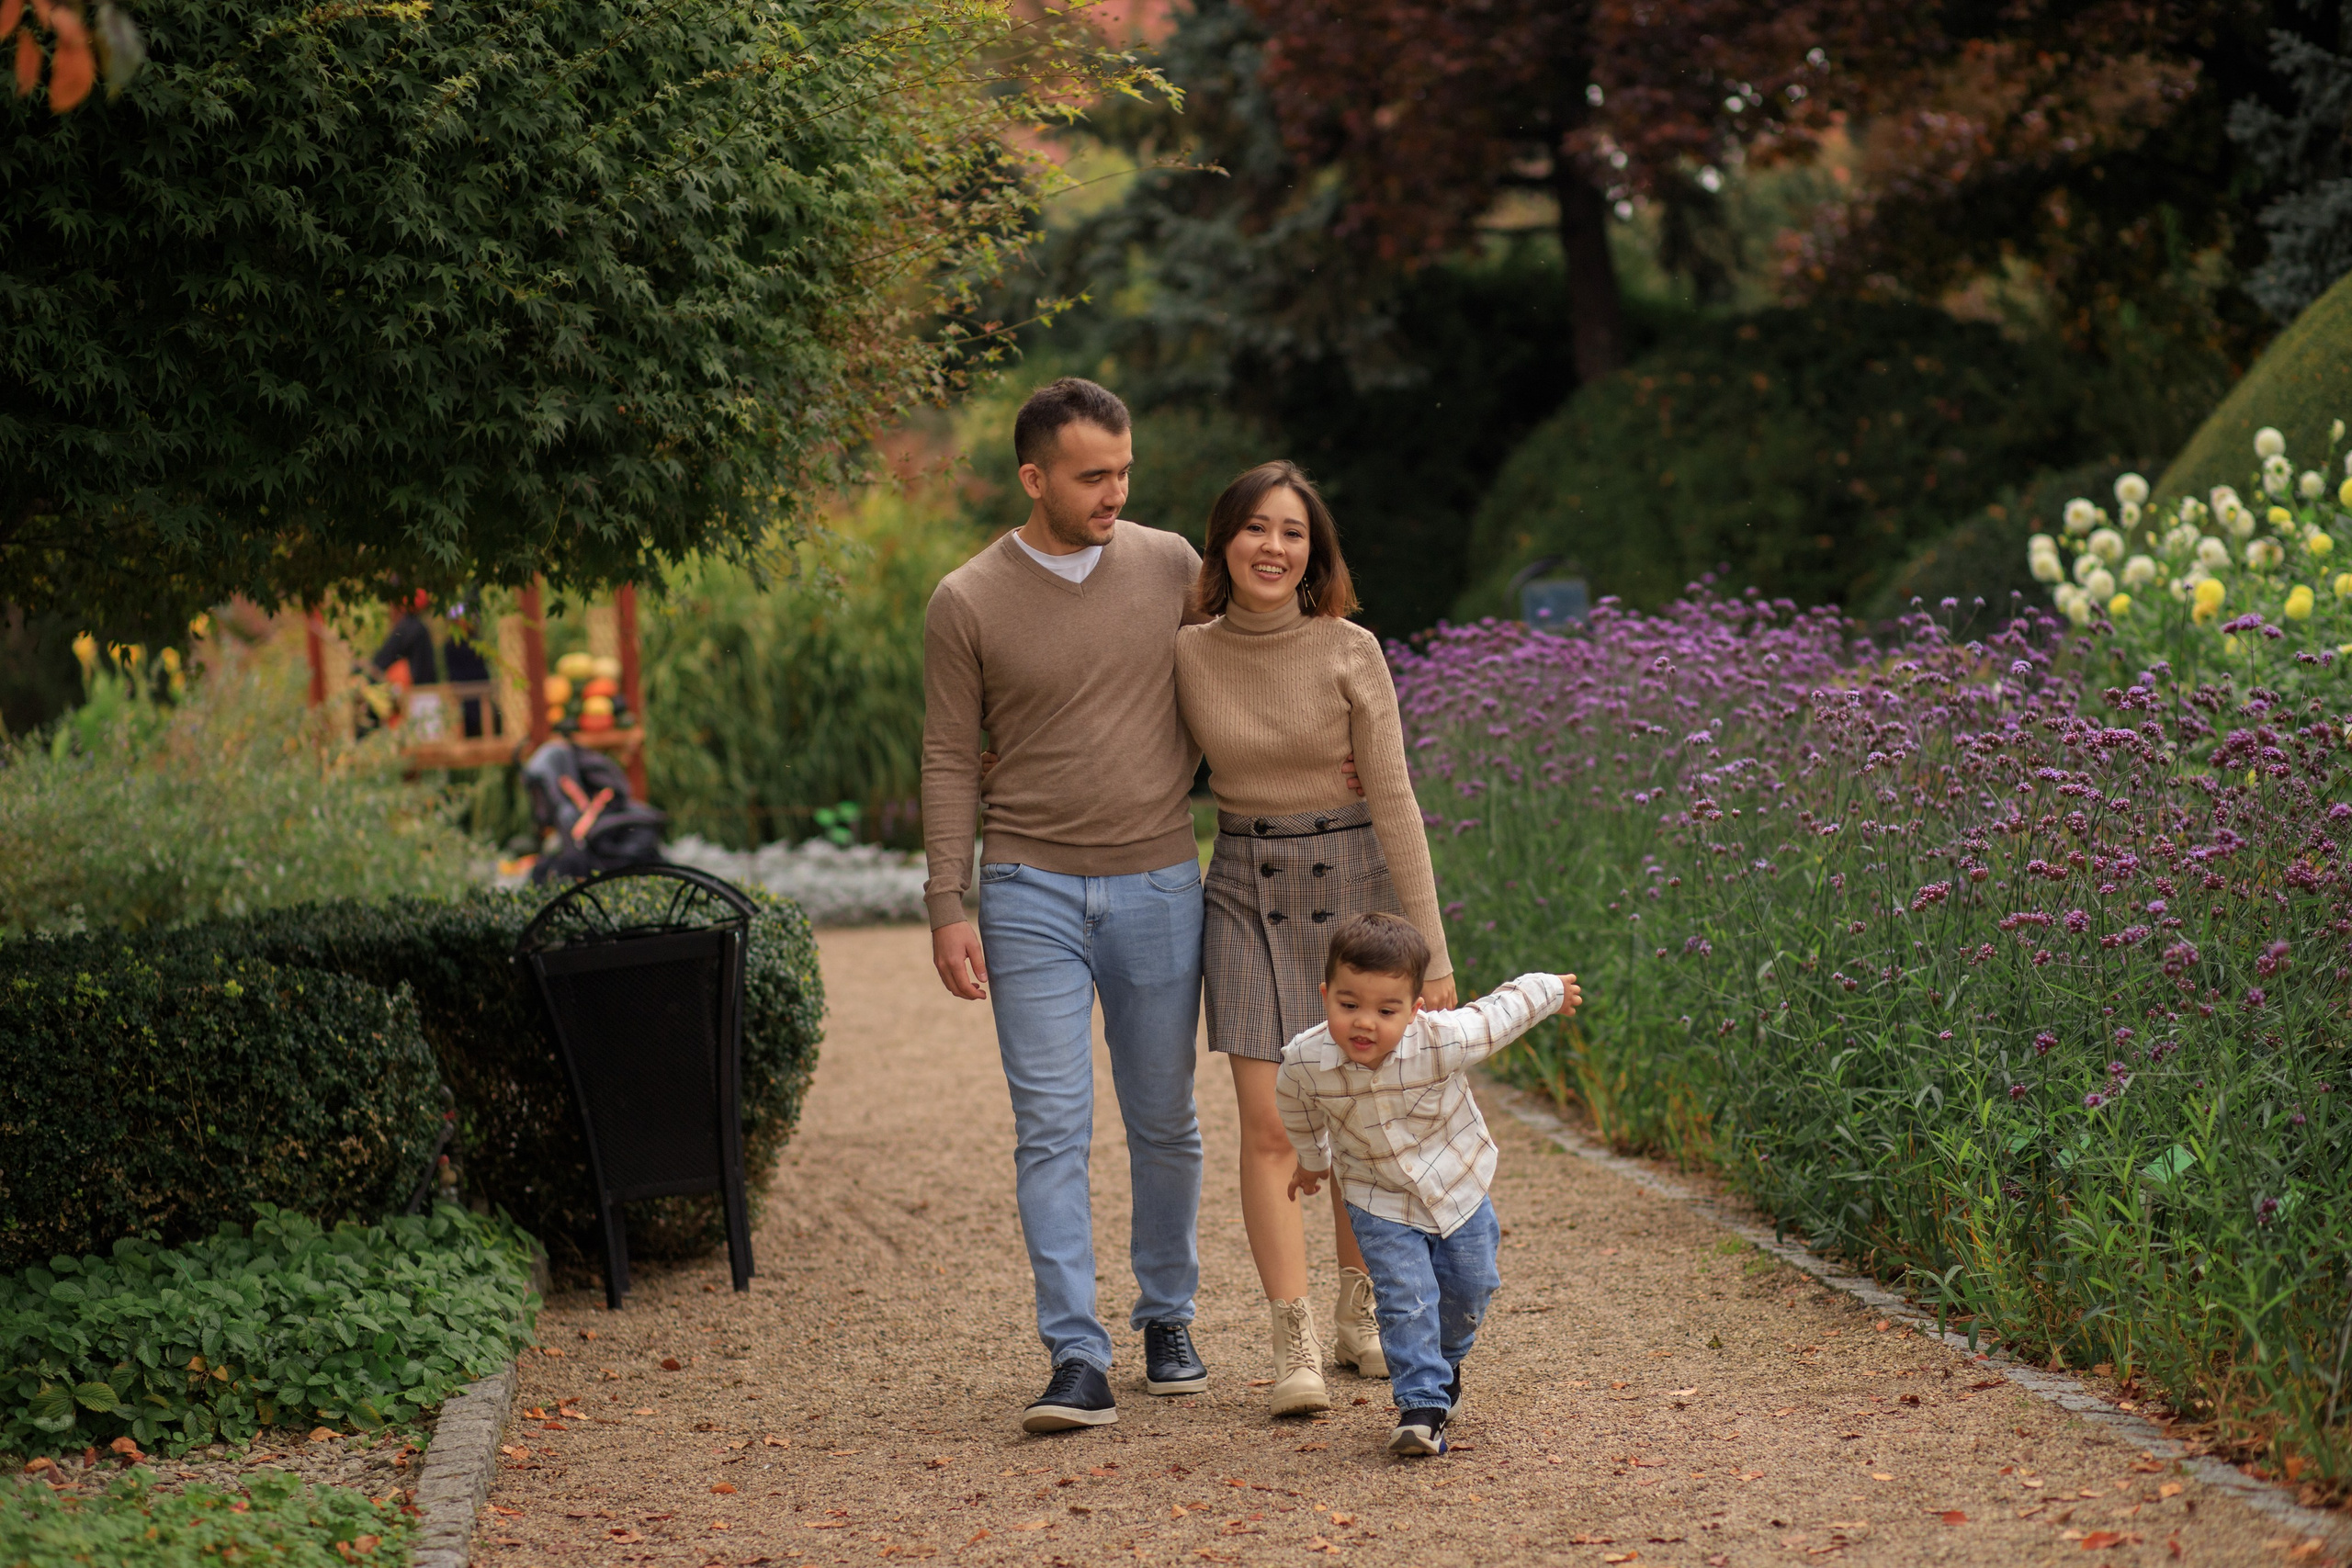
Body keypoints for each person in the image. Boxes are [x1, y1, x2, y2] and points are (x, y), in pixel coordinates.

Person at [921, 377, 1214, 1434]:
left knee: (1165, 1119)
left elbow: (1250, 665)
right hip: (1026, 887)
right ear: (1033, 477)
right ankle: (1077, 1355)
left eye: (1123, 472)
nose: (1114, 493)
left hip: (1159, 880)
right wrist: (946, 901)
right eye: (1092, 476)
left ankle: (1167, 1317)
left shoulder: (1173, 566)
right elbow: (948, 754)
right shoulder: (966, 599)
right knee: (1049, 1129)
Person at [1173, 461, 1457, 1416]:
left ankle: (1359, 1314)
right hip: (1243, 891)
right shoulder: (1188, 654)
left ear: (1314, 552)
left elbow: (1396, 799)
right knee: (1268, 1127)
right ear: (1224, 543)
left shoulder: (1350, 649)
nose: (1273, 546)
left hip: (1353, 889)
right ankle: (1290, 1338)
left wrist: (1433, 954)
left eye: (1292, 531)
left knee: (1356, 1118)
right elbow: (1139, 754)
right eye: (1255, 527)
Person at [1279, 913, 1582, 1456]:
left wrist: (1551, 990)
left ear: (1414, 1009)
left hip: (1458, 1185)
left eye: (1386, 1011)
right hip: (1377, 1198)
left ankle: (1444, 1362)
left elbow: (1500, 1015)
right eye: (1348, 1005)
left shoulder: (1442, 1041)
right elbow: (1295, 1107)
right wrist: (1312, 1160)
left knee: (1472, 1286)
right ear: (1325, 996)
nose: (1364, 1023)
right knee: (1405, 1298)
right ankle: (1421, 1405)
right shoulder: (1305, 1060)